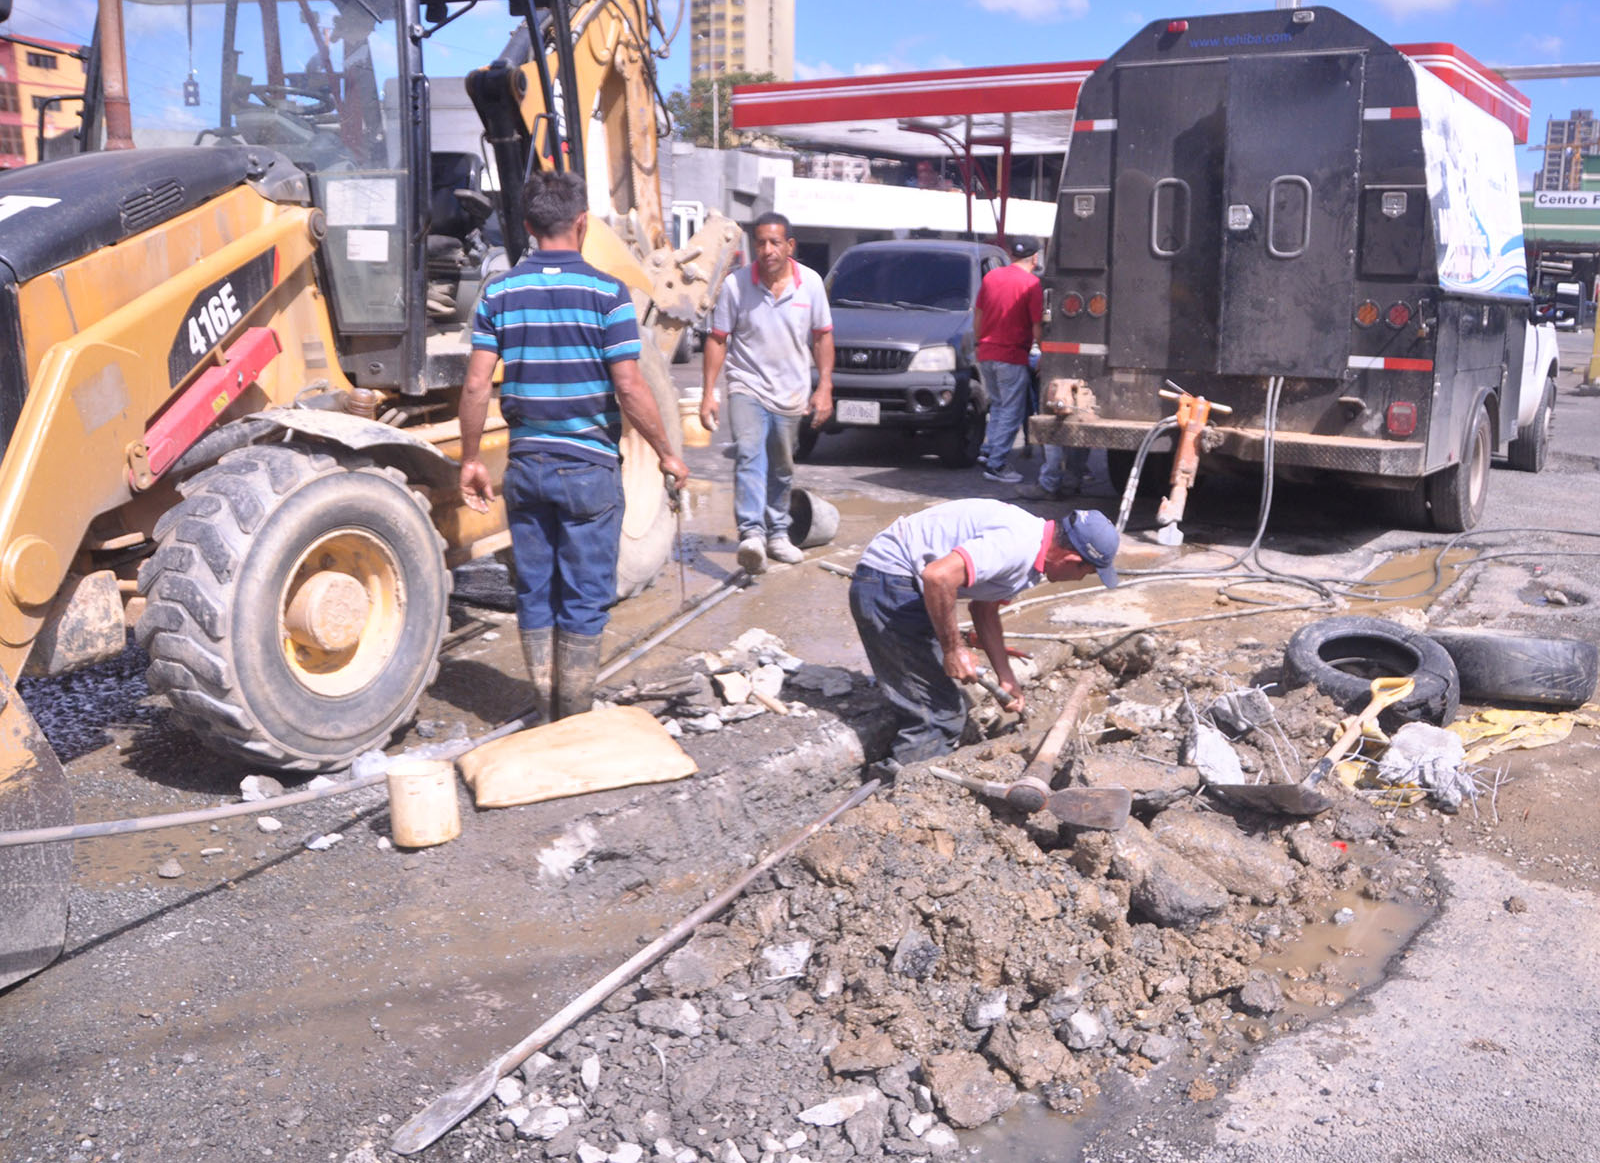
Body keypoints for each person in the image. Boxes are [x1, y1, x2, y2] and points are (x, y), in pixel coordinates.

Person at [459, 171, 687, 722]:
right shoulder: (608, 293)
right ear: (582, 224)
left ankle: (544, 705)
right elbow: (630, 386)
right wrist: (665, 453)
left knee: (536, 591)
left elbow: (474, 384)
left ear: (530, 227)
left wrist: (469, 460)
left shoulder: (500, 292)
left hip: (526, 467)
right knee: (585, 595)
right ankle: (575, 712)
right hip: (588, 469)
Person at [849, 501, 1120, 765]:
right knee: (939, 714)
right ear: (1072, 560)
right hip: (888, 582)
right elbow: (938, 577)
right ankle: (905, 792)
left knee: (935, 693)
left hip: (902, 584)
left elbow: (984, 611)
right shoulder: (1017, 545)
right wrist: (953, 650)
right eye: (1087, 572)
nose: (1082, 580)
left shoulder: (1033, 554)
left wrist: (1007, 677)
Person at [699, 212, 834, 574]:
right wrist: (709, 392)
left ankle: (778, 534)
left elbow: (822, 336)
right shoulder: (736, 285)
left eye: (775, 242)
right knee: (748, 454)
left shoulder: (811, 284)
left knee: (782, 464)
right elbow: (718, 339)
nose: (767, 249)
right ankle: (752, 534)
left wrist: (825, 386)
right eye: (760, 242)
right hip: (747, 384)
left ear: (790, 246)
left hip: (791, 392)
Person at [973, 234, 1044, 484]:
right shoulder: (1032, 284)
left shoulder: (991, 277)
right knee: (1012, 411)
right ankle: (997, 464)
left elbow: (978, 316)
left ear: (1011, 255)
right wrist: (1044, 352)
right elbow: (1037, 328)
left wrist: (978, 343)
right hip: (1012, 356)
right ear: (1035, 258)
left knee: (998, 406)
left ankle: (988, 451)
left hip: (986, 354)